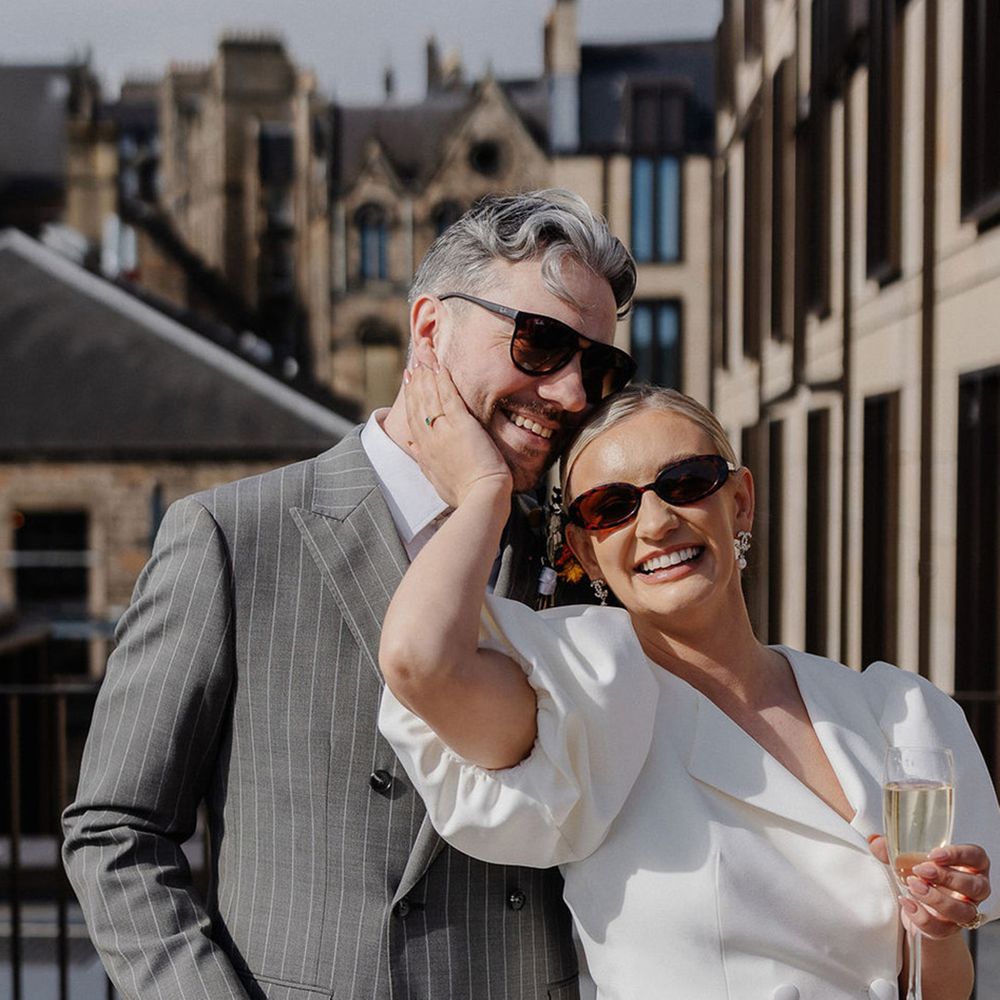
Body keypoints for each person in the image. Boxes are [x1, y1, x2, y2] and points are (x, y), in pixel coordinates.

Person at [61, 189, 638, 1000]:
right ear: (430, 328)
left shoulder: (578, 553)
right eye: (541, 344)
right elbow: (115, 830)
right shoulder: (231, 538)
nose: (574, 393)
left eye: (599, 367)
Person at [378, 376, 1000, 1000]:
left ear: (740, 502)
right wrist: (486, 493)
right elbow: (417, 660)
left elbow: (940, 989)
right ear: (585, 553)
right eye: (609, 508)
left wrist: (935, 928)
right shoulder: (584, 702)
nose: (656, 521)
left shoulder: (886, 713)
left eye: (686, 483)